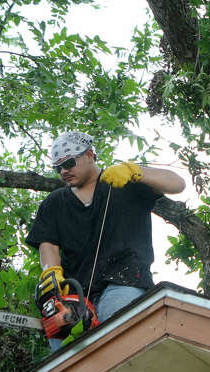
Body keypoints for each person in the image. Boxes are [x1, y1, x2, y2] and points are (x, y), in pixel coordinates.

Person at [25, 131, 185, 349]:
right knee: (61, 346)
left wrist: (136, 171)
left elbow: (177, 183)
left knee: (115, 331)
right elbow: (48, 243)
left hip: (125, 281)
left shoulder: (123, 181)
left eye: (69, 163)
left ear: (89, 154)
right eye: (58, 167)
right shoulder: (54, 203)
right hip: (76, 292)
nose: (64, 171)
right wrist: (51, 272)